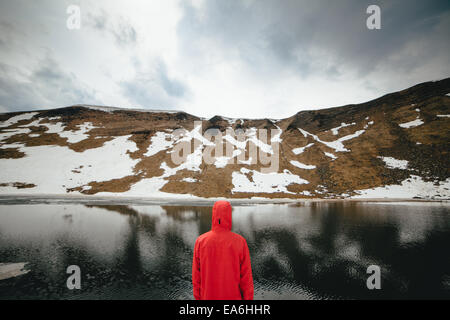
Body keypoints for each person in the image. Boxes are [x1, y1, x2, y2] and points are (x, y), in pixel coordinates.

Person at [192, 200, 254, 300]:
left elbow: (196, 278)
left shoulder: (201, 241)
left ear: (214, 215)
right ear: (229, 215)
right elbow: (246, 279)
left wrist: (198, 298)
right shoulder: (240, 242)